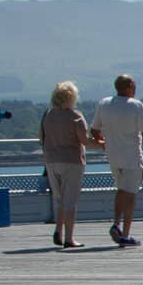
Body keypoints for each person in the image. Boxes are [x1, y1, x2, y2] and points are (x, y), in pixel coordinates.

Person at [90, 73, 143, 247]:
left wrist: (103, 143)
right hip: (132, 156)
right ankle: (124, 232)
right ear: (128, 87)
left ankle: (117, 224)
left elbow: (94, 130)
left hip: (113, 156)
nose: (135, 89)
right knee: (131, 194)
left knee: (121, 190)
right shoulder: (136, 106)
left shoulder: (104, 104)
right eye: (133, 86)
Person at [40, 81, 89, 248]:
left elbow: (41, 137)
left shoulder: (48, 115)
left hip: (51, 161)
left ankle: (58, 231)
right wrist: (104, 142)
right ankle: (69, 238)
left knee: (60, 199)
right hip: (72, 161)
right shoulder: (75, 116)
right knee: (70, 201)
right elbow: (84, 140)